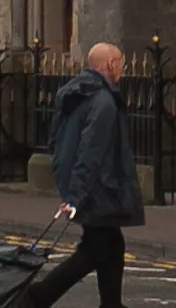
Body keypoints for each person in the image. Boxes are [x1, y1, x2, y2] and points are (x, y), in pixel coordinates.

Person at [31, 43, 144, 308]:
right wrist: (75, 196)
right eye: (120, 63)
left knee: (111, 246)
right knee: (93, 251)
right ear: (108, 65)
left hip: (85, 184)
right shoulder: (103, 101)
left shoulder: (77, 94)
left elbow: (54, 140)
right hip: (98, 187)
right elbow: (92, 152)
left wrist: (68, 182)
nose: (123, 70)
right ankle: (36, 298)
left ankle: (111, 304)